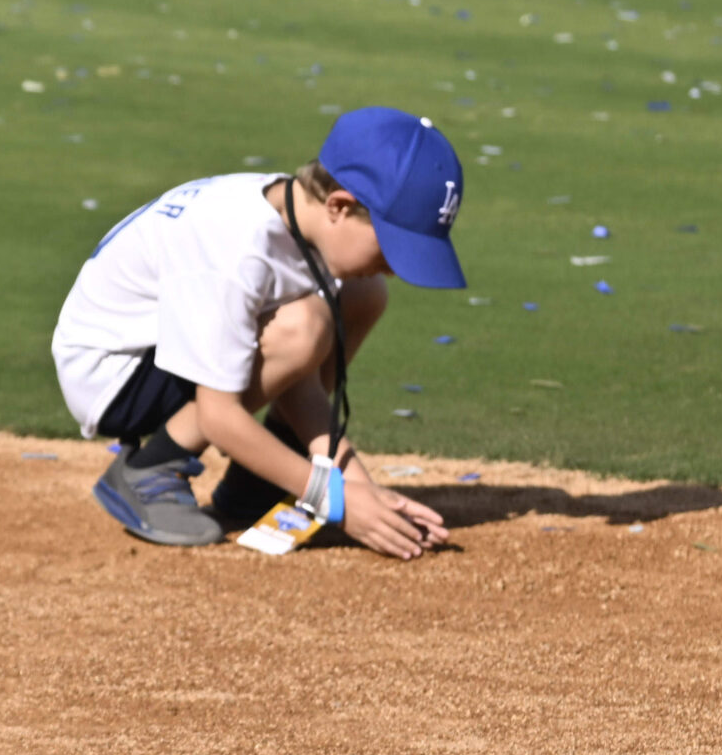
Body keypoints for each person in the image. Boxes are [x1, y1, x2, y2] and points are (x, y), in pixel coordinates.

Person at [51, 107, 464, 559]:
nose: (396, 266)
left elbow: (298, 385)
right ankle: (150, 469)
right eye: (391, 245)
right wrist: (338, 503)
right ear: (338, 206)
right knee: (306, 326)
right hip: (114, 376)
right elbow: (219, 413)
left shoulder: (292, 213)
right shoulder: (233, 248)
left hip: (163, 348)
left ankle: (257, 482)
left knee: (362, 295)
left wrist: (360, 490)